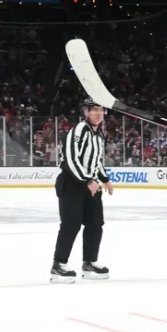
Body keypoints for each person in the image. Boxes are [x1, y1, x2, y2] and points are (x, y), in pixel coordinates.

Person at [51, 98, 113, 282]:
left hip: (90, 185)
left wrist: (105, 179)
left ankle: (89, 263)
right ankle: (58, 266)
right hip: (71, 184)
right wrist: (87, 180)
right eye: (94, 109)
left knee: (95, 223)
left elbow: (96, 161)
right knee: (71, 224)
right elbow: (71, 159)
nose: (98, 113)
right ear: (85, 112)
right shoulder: (77, 131)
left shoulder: (98, 135)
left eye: (101, 109)